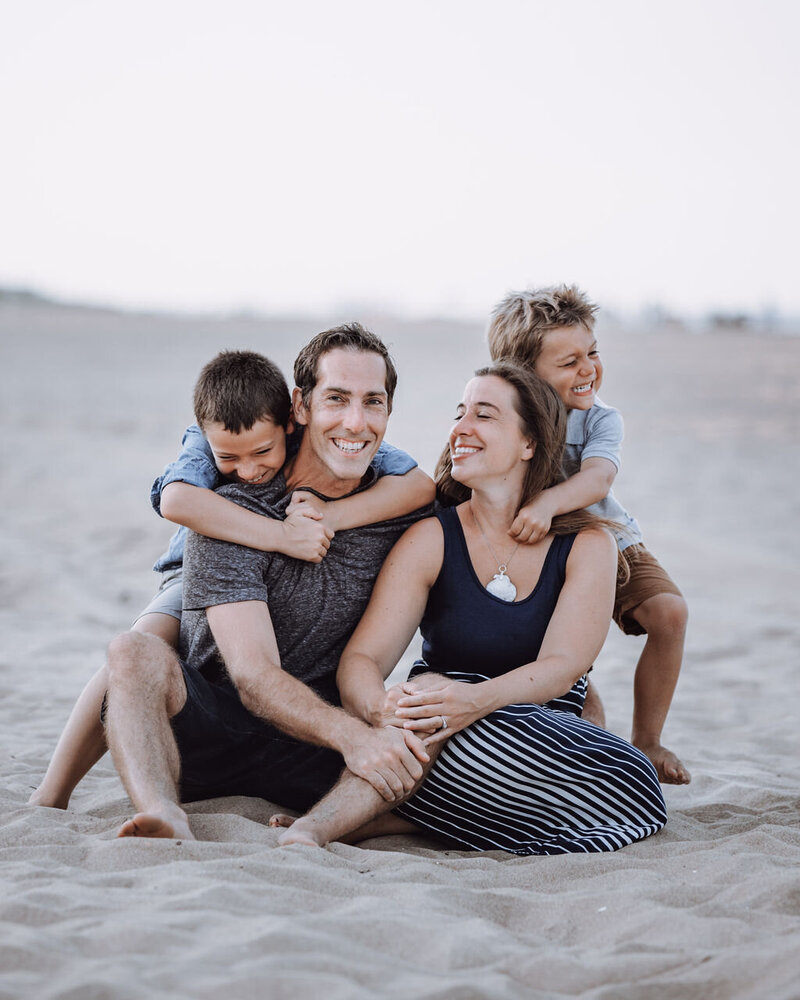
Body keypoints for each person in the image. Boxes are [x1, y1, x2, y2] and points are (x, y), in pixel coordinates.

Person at [271, 363, 667, 854]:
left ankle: (404, 817)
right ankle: (316, 829)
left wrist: (471, 701)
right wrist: (380, 709)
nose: (460, 429)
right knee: (427, 701)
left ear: (530, 443)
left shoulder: (588, 544)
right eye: (460, 414)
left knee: (630, 779)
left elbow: (564, 668)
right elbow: (363, 660)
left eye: (483, 415)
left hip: (541, 750)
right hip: (434, 738)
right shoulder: (432, 538)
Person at [30, 345, 434, 810]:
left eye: (372, 402)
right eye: (337, 399)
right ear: (300, 407)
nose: (355, 421)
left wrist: (332, 514)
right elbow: (177, 502)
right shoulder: (210, 457)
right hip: (187, 571)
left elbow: (422, 486)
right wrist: (282, 536)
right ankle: (53, 792)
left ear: (285, 421)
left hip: (299, 739)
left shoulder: (368, 458)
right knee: (142, 644)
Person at [486, 284, 690, 784]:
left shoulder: (601, 418)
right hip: (536, 550)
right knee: (566, 662)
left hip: (606, 534)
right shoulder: (506, 417)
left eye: (592, 353)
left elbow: (599, 478)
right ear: (525, 374)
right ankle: (582, 711)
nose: (588, 369)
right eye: (569, 361)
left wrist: (549, 501)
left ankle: (648, 739)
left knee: (669, 612)